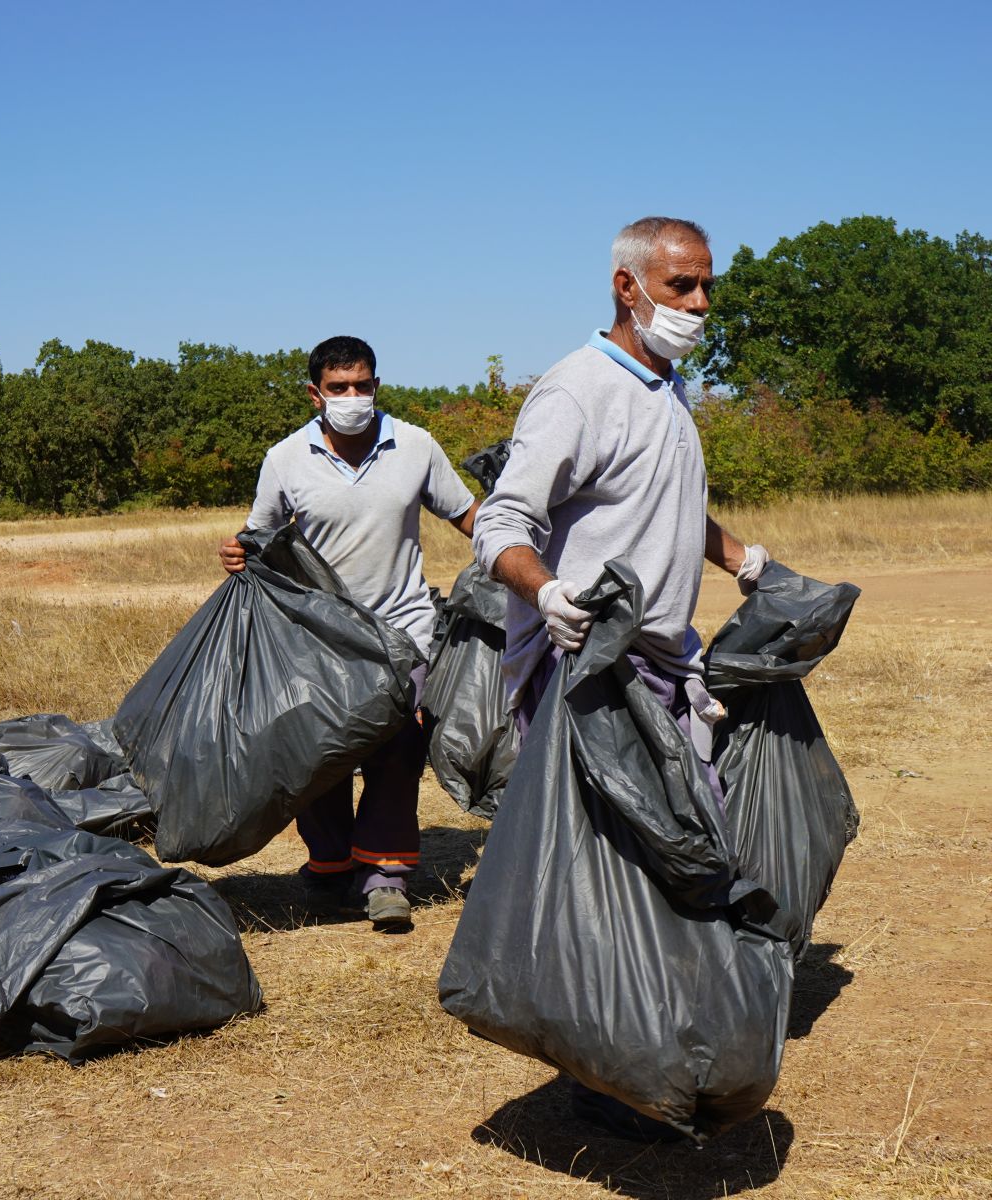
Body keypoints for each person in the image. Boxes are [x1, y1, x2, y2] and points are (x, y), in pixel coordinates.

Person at [472, 215, 769, 1141]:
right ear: (625, 286)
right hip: (587, 682)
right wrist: (547, 591)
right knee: (605, 879)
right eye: (681, 286)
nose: (699, 305)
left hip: (658, 672)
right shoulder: (576, 390)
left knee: (657, 867)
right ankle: (604, 1074)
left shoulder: (667, 390)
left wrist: (737, 559)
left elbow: (664, 499)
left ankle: (646, 1042)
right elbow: (498, 524)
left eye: (706, 285)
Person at [220, 335, 479, 930]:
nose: (353, 397)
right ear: (316, 395)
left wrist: (518, 552)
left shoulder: (415, 446)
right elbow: (260, 535)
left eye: (363, 385)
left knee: (398, 748)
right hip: (321, 639)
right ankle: (331, 865)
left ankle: (385, 878)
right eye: (339, 388)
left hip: (404, 629)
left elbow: (468, 516)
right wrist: (237, 552)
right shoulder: (285, 458)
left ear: (377, 387)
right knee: (323, 755)